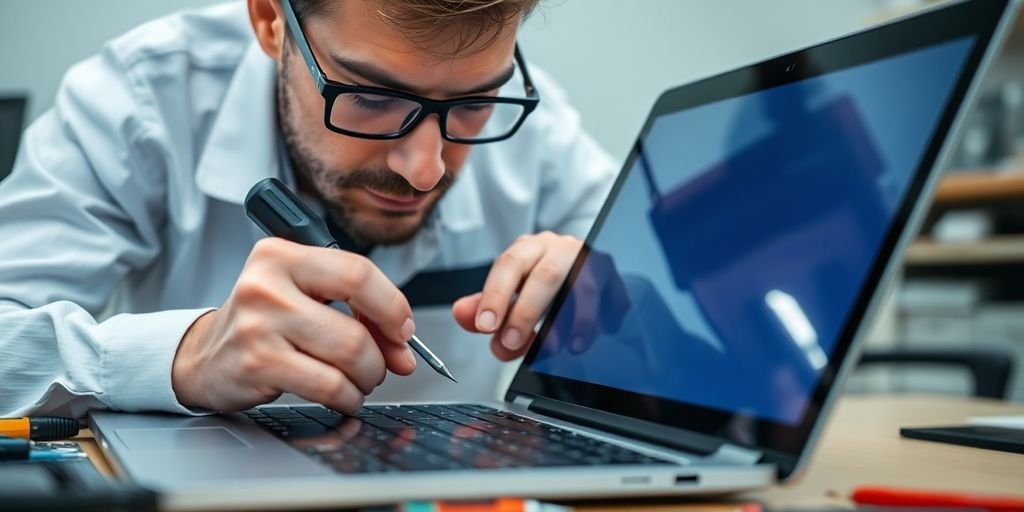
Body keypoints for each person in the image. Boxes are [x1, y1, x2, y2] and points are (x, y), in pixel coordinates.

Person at [0, 0, 616, 417]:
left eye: (474, 103)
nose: (425, 169)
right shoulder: (142, 101)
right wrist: (182, 355)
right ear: (271, 20)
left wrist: (611, 311)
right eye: (371, 97)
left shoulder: (534, 123)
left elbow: (685, 351)